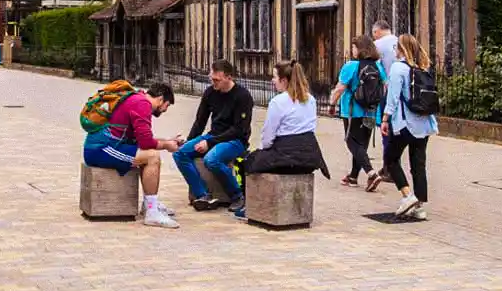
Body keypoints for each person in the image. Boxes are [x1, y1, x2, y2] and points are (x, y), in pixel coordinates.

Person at [235, 60, 331, 219]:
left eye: (274, 77)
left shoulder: (278, 102)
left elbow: (268, 136)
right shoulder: (310, 99)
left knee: (243, 161)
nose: (272, 80)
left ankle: (249, 205)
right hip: (309, 157)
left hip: (285, 157)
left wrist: (261, 151)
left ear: (284, 80)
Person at [81, 81, 180, 228]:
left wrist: (167, 141)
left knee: (149, 155)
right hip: (102, 149)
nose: (165, 110)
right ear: (160, 99)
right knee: (152, 157)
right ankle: (152, 213)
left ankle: (149, 205)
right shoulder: (142, 104)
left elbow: (142, 139)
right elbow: (146, 143)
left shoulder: (137, 98)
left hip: (105, 146)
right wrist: (166, 146)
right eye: (167, 105)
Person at [173, 60, 254, 211]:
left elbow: (239, 129)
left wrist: (210, 143)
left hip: (235, 140)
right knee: (180, 153)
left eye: (217, 80)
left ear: (229, 77)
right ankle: (203, 194)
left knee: (212, 159)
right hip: (214, 136)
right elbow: (200, 121)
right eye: (212, 78)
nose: (213, 82)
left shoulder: (243, 96)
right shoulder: (210, 92)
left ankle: (237, 195)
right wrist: (190, 141)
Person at [380, 34, 438, 220]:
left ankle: (408, 196)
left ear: (401, 48)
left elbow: (393, 96)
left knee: (390, 158)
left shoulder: (399, 68)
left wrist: (385, 119)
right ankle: (419, 207)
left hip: (406, 123)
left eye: (396, 47)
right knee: (418, 164)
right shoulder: (423, 67)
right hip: (425, 123)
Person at [329, 36, 385, 190]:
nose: (352, 50)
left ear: (359, 49)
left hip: (353, 111)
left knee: (351, 142)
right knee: (362, 144)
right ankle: (353, 177)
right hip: (372, 111)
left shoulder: (350, 66)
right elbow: (384, 87)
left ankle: (371, 173)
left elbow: (340, 88)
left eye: (353, 47)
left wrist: (332, 104)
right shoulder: (378, 67)